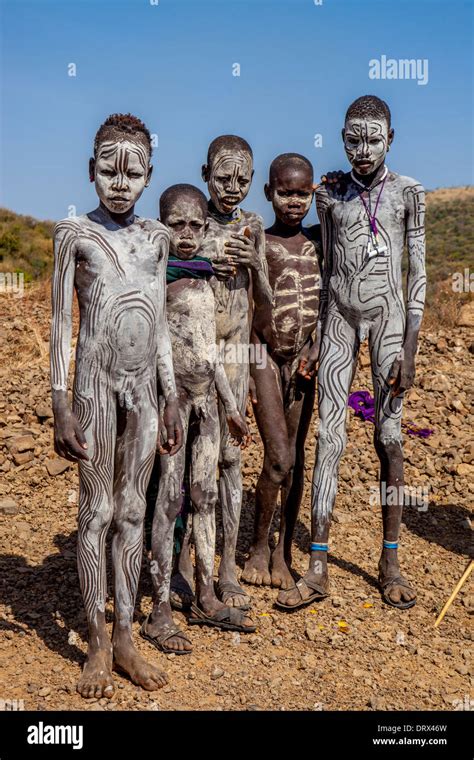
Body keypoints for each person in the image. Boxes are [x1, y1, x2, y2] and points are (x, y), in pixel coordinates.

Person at [50, 113, 182, 698]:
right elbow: (59, 325)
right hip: (94, 389)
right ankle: (97, 642)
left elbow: (159, 331)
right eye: (109, 171)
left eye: (133, 172)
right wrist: (60, 402)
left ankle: (126, 634)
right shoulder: (73, 236)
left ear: (150, 175)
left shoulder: (158, 239)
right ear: (91, 171)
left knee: (133, 511)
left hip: (147, 393)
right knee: (96, 511)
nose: (120, 183)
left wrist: (172, 397)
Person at [277, 96, 426, 611]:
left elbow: (418, 275)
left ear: (391, 138)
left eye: (373, 139)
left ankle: (390, 560)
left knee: (388, 436)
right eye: (352, 139)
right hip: (339, 318)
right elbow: (324, 268)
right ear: (341, 137)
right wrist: (317, 336)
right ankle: (317, 565)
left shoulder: (409, 193)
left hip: (388, 322)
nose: (362, 150)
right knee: (330, 437)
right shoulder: (331, 194)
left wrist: (410, 345)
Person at [141, 184, 255, 655]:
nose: (186, 234)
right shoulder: (156, 280)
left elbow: (209, 353)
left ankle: (205, 592)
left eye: (195, 225)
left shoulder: (206, 282)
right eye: (176, 224)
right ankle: (160, 607)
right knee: (169, 499)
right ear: (161, 224)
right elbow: (159, 351)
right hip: (173, 403)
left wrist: (229, 405)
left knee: (205, 495)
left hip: (208, 402)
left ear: (205, 227)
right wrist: (170, 399)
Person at [170, 135, 272, 610]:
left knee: (230, 462)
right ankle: (184, 565)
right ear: (206, 172)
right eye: (223, 176)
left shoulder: (252, 225)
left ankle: (227, 567)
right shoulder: (191, 220)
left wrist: (257, 264)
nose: (233, 186)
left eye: (243, 179)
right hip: (194, 359)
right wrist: (206, 264)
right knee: (191, 465)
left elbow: (265, 302)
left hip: (235, 358)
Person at [241, 153, 321, 591]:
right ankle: (256, 545)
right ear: (269, 192)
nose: (294, 201)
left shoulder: (318, 244)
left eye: (302, 193)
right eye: (285, 192)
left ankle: (283, 548)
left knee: (296, 457)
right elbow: (247, 309)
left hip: (304, 363)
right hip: (264, 357)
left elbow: (330, 302)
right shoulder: (260, 243)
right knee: (278, 458)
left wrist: (317, 344)